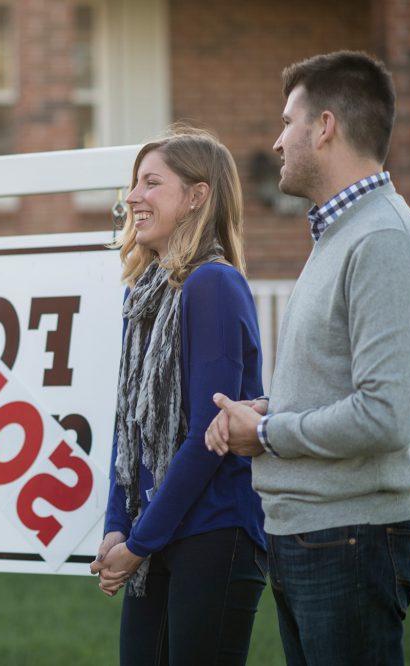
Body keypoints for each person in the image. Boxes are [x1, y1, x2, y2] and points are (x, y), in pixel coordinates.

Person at [206, 51, 410, 665]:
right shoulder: (341, 234)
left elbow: (385, 415)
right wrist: (265, 412)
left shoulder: (382, 239)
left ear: (326, 126)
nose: (278, 141)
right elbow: (344, 388)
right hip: (317, 536)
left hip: (350, 537)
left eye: (288, 122)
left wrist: (268, 432)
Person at [90, 128, 267, 665]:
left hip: (213, 532)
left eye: (151, 183)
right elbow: (131, 426)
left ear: (197, 196)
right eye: (133, 184)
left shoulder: (212, 285)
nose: (134, 197)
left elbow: (205, 438)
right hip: (156, 532)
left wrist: (138, 542)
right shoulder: (144, 297)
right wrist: (117, 527)